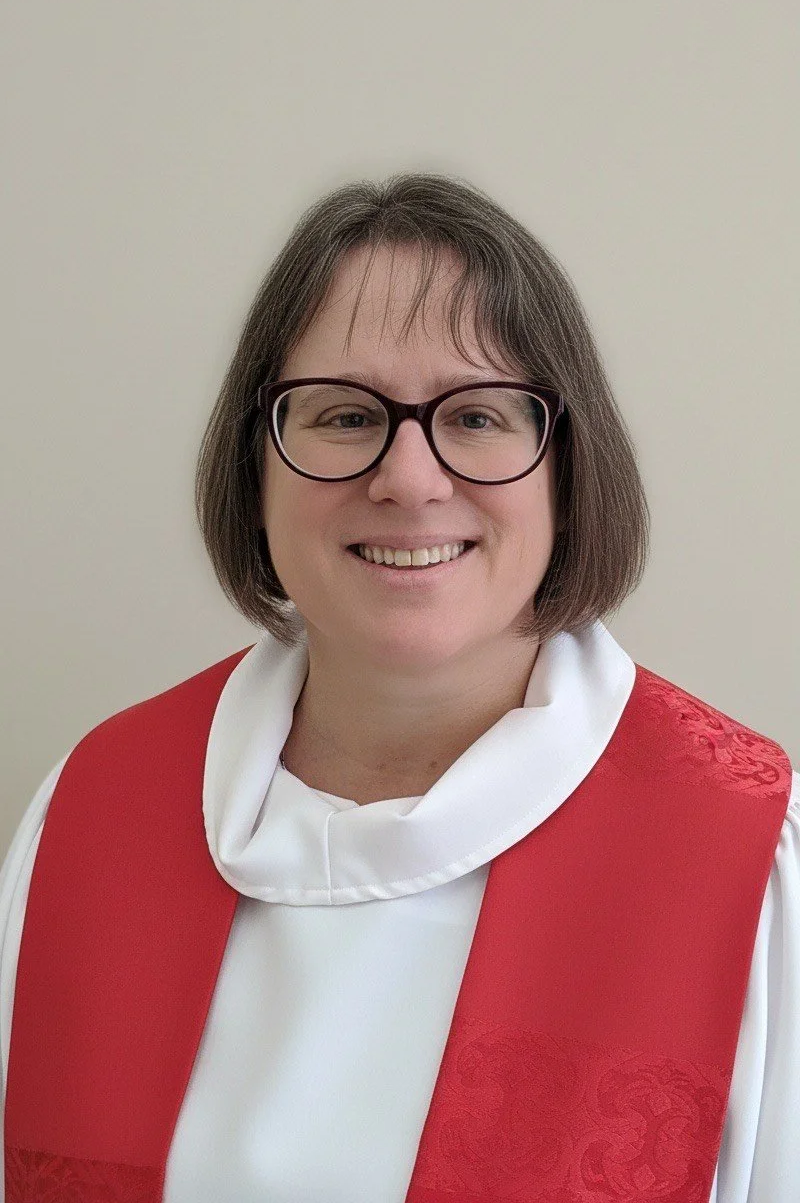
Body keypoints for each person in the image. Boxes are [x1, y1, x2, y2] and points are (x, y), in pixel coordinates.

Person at [1, 171, 797, 1203]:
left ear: (567, 467)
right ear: (257, 466)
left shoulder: (739, 851)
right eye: (341, 415)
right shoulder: (95, 809)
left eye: (473, 416)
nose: (409, 479)